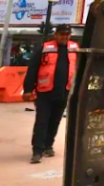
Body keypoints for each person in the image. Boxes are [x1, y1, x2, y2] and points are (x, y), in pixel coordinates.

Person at [24, 25, 79, 164]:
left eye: (67, 34)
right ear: (56, 34)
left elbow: (80, 68)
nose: (64, 37)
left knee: (55, 121)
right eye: (61, 34)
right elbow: (32, 69)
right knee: (42, 121)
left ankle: (48, 146)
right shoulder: (44, 48)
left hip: (64, 92)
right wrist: (28, 89)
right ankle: (37, 151)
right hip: (45, 92)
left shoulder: (74, 48)